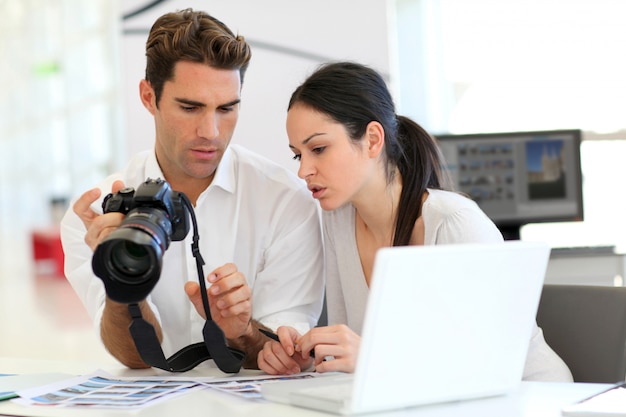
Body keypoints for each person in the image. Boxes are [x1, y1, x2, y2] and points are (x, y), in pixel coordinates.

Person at [257, 61, 573, 381]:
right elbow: (352, 362)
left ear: (373, 139)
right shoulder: (337, 219)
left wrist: (371, 356)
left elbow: (492, 364)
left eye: (319, 148)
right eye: (298, 154)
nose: (303, 170)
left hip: (530, 397)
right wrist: (308, 355)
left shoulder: (454, 223)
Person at [60, 8, 324, 370]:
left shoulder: (286, 201)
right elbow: (133, 358)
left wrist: (242, 330)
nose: (211, 131)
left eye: (227, 108)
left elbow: (288, 357)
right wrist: (121, 280)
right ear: (148, 97)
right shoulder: (92, 219)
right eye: (190, 107)